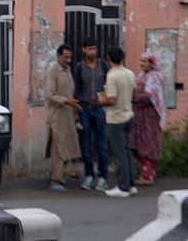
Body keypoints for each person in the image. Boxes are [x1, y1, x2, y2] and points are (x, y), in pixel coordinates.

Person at [98, 46, 137, 198]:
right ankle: (131, 185)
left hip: (115, 119)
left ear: (109, 58)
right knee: (127, 153)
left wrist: (100, 101)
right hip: (128, 115)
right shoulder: (130, 73)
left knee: (119, 154)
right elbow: (135, 96)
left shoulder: (112, 76)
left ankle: (123, 187)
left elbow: (111, 100)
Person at [72, 37, 110, 191]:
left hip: (100, 109)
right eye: (89, 49)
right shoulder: (79, 67)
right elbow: (75, 91)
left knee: (102, 144)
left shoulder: (103, 65)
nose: (92, 51)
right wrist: (76, 112)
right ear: (84, 50)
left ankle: (103, 177)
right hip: (84, 109)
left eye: (94, 48)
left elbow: (109, 86)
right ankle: (89, 175)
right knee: (86, 144)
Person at [45, 44, 82, 191]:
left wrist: (74, 112)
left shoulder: (68, 71)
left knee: (67, 147)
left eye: (70, 57)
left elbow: (70, 94)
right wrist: (67, 101)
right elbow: (50, 95)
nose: (68, 60)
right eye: (65, 57)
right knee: (58, 149)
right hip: (57, 115)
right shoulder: (52, 72)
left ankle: (60, 175)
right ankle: (55, 180)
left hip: (68, 114)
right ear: (58, 56)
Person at [130, 51, 167, 186]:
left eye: (144, 61)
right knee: (139, 144)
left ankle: (148, 176)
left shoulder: (154, 77)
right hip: (139, 115)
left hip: (150, 116)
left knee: (148, 144)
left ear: (151, 64)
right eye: (141, 61)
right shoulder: (141, 76)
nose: (141, 64)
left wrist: (134, 97)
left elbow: (150, 96)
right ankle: (144, 173)